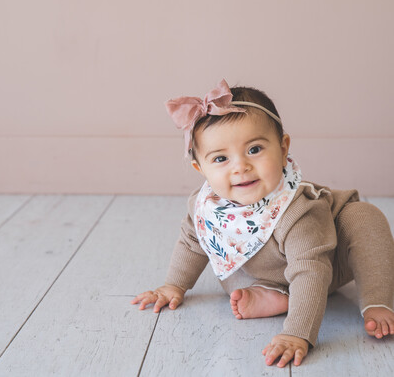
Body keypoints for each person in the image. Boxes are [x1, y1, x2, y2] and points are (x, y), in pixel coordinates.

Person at [131, 79, 394, 367]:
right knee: (229, 277)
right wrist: (174, 285)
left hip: (328, 261)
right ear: (200, 168)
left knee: (364, 217)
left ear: (283, 148)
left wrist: (297, 333)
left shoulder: (299, 211)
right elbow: (193, 241)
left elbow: (312, 272)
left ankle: (377, 300)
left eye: (254, 150)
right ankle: (274, 293)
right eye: (220, 158)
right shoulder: (206, 206)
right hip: (263, 269)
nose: (240, 166)